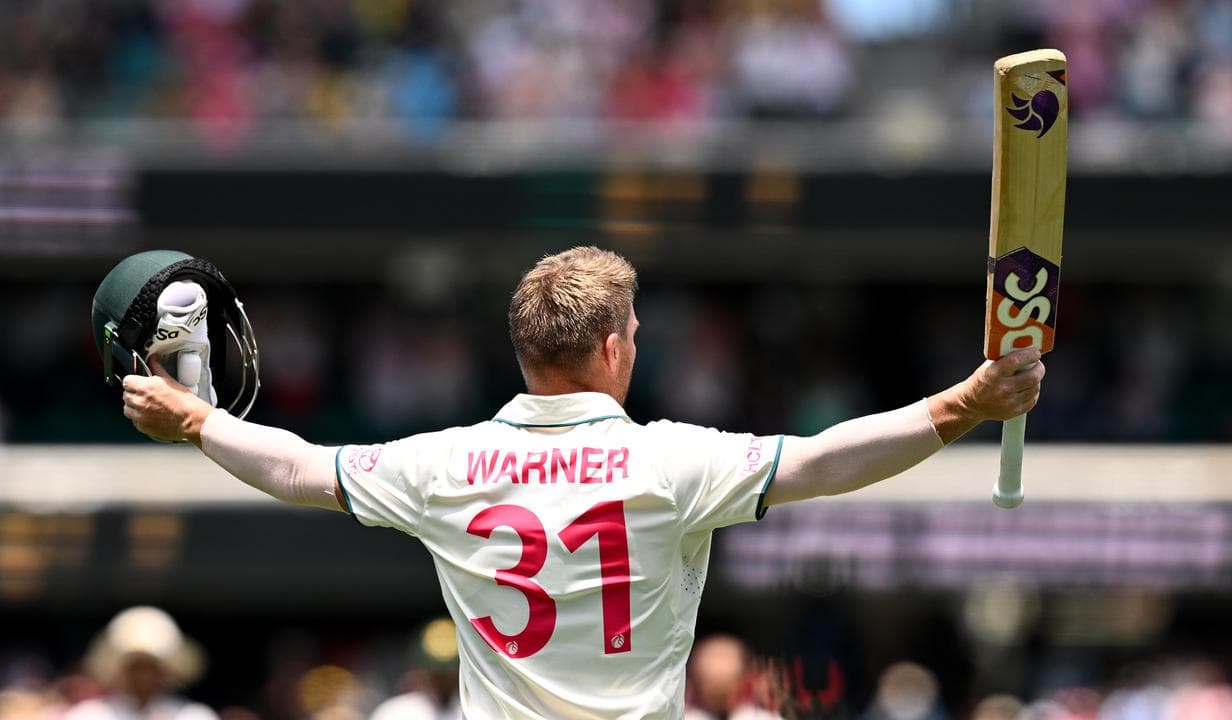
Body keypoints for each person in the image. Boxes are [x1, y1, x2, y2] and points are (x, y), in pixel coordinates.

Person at [121, 246, 1045, 719]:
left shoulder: (441, 465)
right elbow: (828, 458)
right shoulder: (671, 461)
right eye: (634, 333)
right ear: (612, 346)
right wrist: (967, 399)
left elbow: (294, 468)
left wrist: (198, 418)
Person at [64, 606, 218, 720]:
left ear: (166, 670)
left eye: (151, 667)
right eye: (136, 667)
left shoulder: (193, 716)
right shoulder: (91, 715)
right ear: (122, 670)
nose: (144, 676)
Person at [369, 617, 462, 720]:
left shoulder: (476, 709)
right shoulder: (395, 713)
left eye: (447, 674)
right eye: (436, 675)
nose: (442, 683)